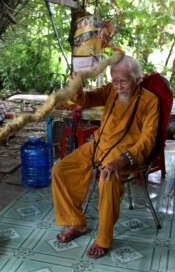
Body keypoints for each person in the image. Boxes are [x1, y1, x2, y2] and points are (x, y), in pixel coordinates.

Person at [52, 55, 160, 259]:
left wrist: (120, 161)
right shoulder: (110, 91)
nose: (118, 86)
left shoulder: (150, 101)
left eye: (124, 81)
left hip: (124, 156)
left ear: (138, 79)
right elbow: (86, 100)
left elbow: (147, 141)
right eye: (114, 80)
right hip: (97, 146)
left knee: (107, 178)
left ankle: (103, 239)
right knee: (60, 169)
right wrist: (77, 86)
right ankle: (77, 223)